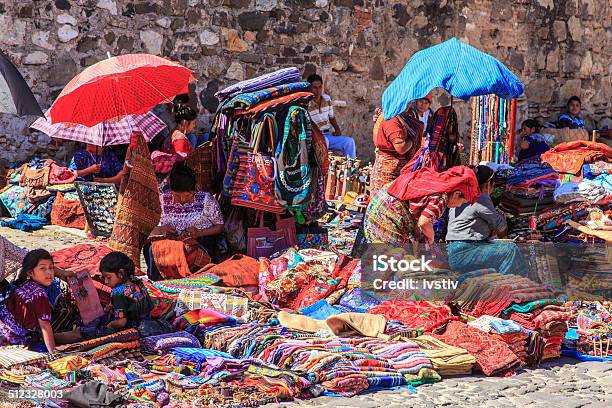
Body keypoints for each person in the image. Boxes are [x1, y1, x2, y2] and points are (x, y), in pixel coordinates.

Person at [144, 162, 224, 281]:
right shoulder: (163, 199)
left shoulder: (206, 199)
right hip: (171, 240)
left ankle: (190, 278)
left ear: (194, 189)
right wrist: (162, 229)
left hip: (199, 242)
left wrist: (199, 233)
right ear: (171, 190)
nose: (182, 199)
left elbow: (220, 226)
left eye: (187, 195)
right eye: (176, 195)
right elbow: (150, 226)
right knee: (152, 249)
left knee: (187, 251)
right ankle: (158, 281)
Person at [363, 166, 479, 246]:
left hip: (377, 206)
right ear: (457, 194)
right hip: (387, 215)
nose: (458, 206)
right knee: (393, 263)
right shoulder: (442, 197)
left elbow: (417, 213)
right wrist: (431, 236)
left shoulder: (435, 181)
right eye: (462, 202)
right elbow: (424, 222)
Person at [446, 165, 529, 276]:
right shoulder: (480, 197)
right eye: (493, 185)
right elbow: (501, 227)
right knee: (510, 250)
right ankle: (505, 289)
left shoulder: (462, 194)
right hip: (465, 252)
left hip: (457, 250)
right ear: (488, 185)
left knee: (502, 249)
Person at [79, 252, 153, 339]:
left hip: (132, 329)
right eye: (104, 278)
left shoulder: (118, 293)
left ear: (121, 274)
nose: (106, 282)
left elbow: (121, 322)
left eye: (108, 277)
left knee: (85, 331)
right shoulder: (137, 282)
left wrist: (109, 326)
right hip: (148, 324)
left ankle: (61, 337)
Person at [0, 250, 62, 352]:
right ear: (30, 272)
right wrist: (53, 352)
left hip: (3, 331)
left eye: (51, 268)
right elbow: (45, 326)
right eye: (42, 268)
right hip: (12, 338)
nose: (49, 272)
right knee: (42, 347)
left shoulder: (22, 285)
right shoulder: (39, 294)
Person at [370, 105, 424, 197]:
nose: (408, 105)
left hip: (387, 167)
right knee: (387, 204)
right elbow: (401, 147)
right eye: (405, 102)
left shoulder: (395, 116)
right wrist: (412, 140)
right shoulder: (391, 119)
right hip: (390, 171)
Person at [307, 74, 357, 158]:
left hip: (327, 134)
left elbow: (332, 117)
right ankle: (324, 170)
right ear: (310, 88)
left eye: (320, 87)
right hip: (315, 137)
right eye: (314, 88)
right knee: (324, 142)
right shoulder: (307, 104)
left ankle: (351, 168)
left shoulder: (327, 99)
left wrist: (337, 129)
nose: (318, 90)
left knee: (349, 142)